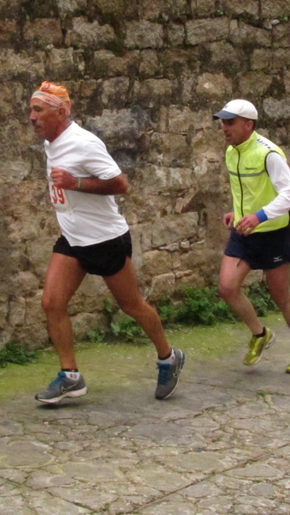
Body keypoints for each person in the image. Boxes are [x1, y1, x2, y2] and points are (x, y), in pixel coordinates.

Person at [28, 81, 185, 403]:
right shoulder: (51, 142)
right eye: (31, 110)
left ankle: (169, 357)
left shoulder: (84, 143)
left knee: (132, 306)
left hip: (105, 240)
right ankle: (70, 376)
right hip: (73, 239)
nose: (31, 117)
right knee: (51, 303)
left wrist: (77, 183)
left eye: (38, 110)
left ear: (60, 112)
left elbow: (120, 184)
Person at [213, 99, 290, 374]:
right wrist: (237, 211)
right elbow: (246, 189)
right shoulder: (232, 152)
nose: (224, 128)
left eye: (230, 123)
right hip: (243, 233)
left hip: (272, 233)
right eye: (223, 122)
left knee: (280, 295)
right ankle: (260, 334)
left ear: (249, 124)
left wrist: (259, 216)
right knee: (226, 288)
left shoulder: (268, 154)